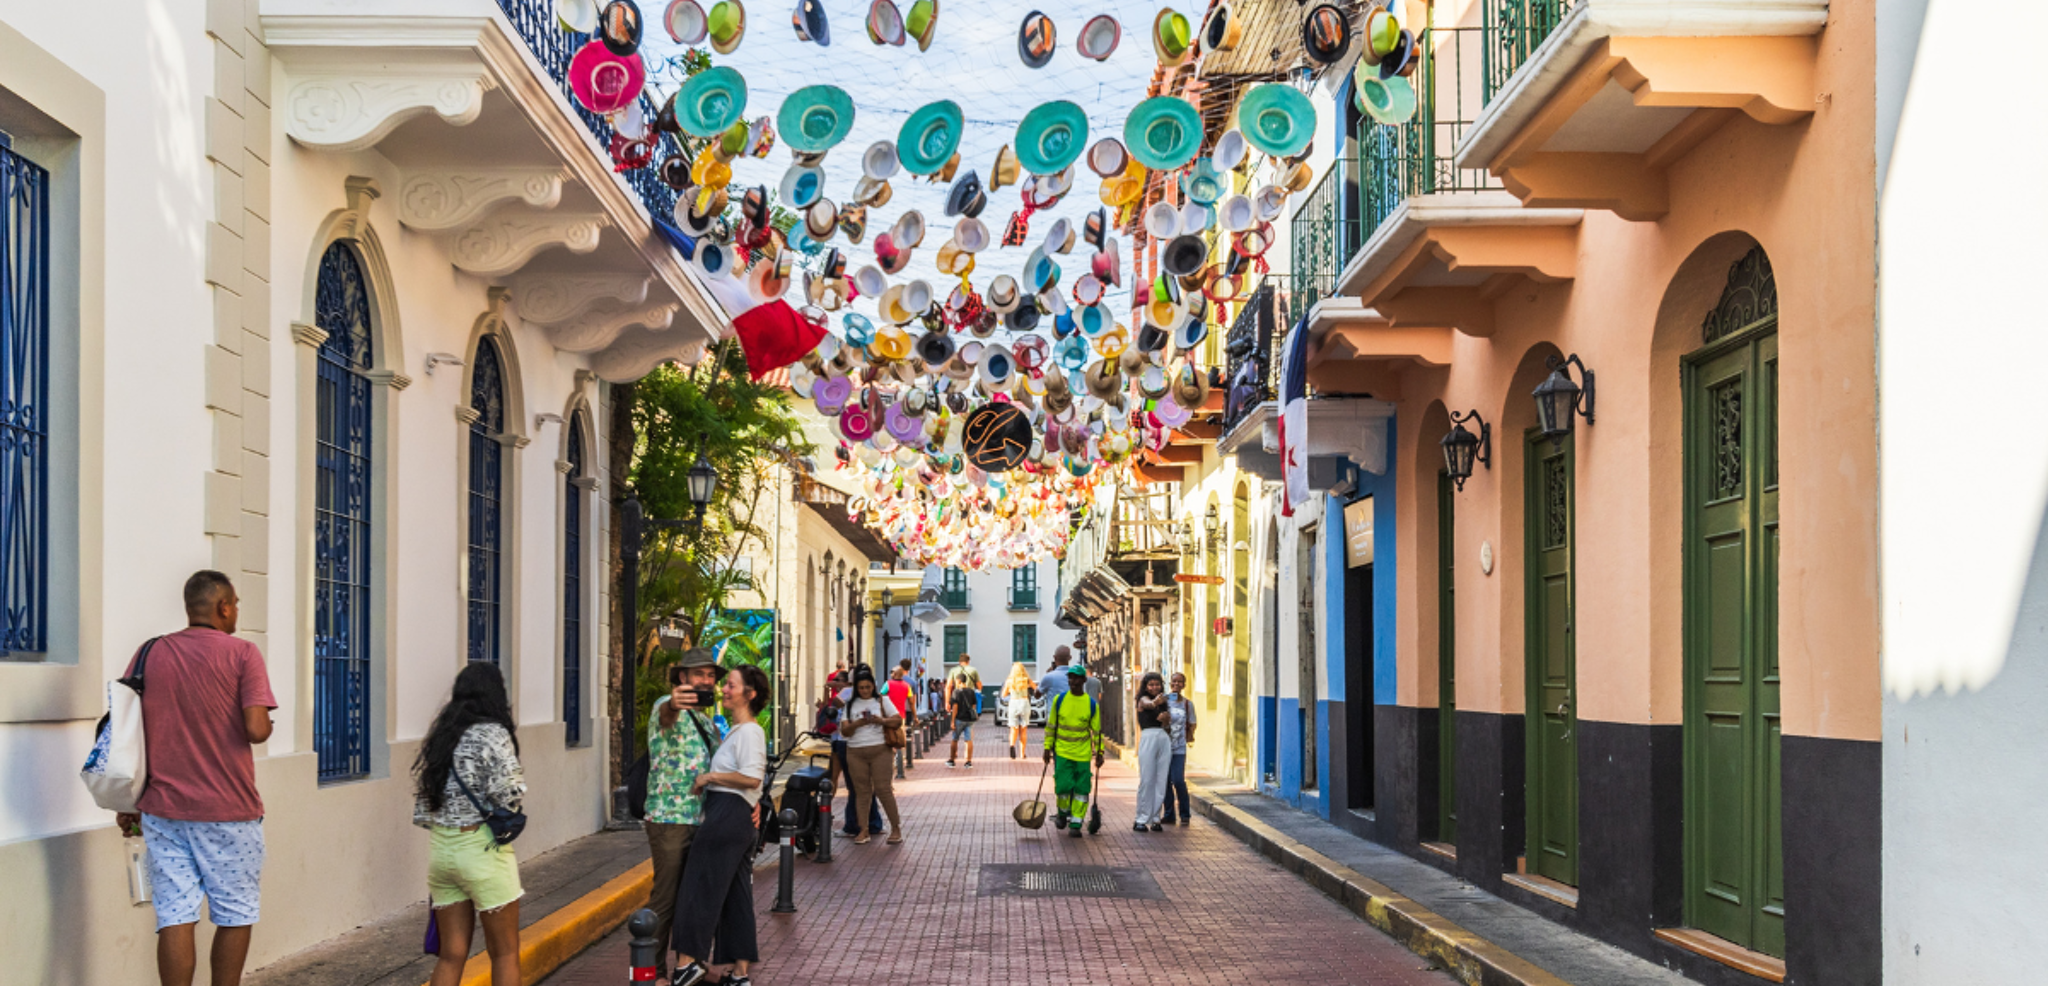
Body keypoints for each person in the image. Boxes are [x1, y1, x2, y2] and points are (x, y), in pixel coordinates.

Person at [112, 571, 276, 986]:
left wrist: (127, 802)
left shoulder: (150, 652)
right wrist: (265, 722)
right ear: (224, 607)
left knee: (174, 915)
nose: (236, 611)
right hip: (229, 810)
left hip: (163, 810)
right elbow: (256, 729)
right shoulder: (243, 654)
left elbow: (128, 727)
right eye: (235, 604)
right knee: (235, 913)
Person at [415, 662, 526, 986]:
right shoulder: (493, 734)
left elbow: (425, 805)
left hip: (442, 852)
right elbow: (508, 794)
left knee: (451, 955)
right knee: (505, 953)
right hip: (481, 850)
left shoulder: (443, 736)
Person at [670, 665, 773, 986]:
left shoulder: (750, 732)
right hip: (735, 817)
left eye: (731, 685)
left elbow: (752, 777)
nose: (723, 690)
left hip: (726, 816)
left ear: (749, 694)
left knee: (698, 887)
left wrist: (709, 777)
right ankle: (739, 973)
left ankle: (686, 963)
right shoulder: (738, 731)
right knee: (736, 896)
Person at [642, 648, 723, 976]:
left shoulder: (706, 722)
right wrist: (674, 703)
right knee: (666, 897)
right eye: (698, 674)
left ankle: (690, 967)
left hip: (700, 820)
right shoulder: (664, 705)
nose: (706, 680)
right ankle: (652, 973)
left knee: (692, 898)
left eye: (710, 675)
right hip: (669, 818)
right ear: (682, 677)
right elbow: (667, 714)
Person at [839, 668, 905, 844]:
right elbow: (844, 731)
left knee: (883, 789)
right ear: (856, 688)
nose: (865, 691)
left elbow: (897, 720)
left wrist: (881, 720)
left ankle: (896, 828)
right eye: (861, 688)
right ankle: (863, 830)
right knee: (861, 791)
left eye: (868, 687)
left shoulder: (882, 700)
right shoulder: (850, 705)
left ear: (873, 686)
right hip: (855, 751)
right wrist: (857, 723)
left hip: (880, 749)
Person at [1045, 664, 1104, 837]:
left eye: (1077, 678)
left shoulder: (1091, 705)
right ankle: (1063, 813)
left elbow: (1097, 732)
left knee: (1082, 789)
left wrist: (1100, 752)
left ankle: (1076, 823)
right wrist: (1047, 747)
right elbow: (1051, 726)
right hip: (1062, 752)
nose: (1073, 681)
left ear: (1084, 680)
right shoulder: (1060, 700)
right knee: (1063, 786)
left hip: (1082, 754)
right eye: (1070, 677)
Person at [832, 666, 884, 837]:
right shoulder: (875, 697)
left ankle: (854, 825)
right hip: (866, 743)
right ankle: (873, 823)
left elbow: (835, 703)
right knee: (866, 786)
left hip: (850, 744)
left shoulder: (849, 692)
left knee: (855, 786)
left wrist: (845, 689)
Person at [1132, 672, 1171, 832]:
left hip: (1163, 738)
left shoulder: (1164, 703)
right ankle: (1141, 818)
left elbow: (1167, 726)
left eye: (1157, 684)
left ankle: (1155, 817)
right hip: (1148, 737)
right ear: (1146, 686)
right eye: (1151, 685)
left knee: (1161, 780)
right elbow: (1147, 704)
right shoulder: (1143, 699)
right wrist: (1155, 702)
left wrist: (1166, 721)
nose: (1154, 687)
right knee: (1147, 779)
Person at [1161, 672, 1198, 826]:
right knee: (1165, 781)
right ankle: (1169, 814)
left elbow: (1193, 723)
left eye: (1180, 682)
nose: (1176, 684)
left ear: (1184, 685)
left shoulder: (1187, 704)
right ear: (1170, 683)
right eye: (1174, 681)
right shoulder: (1163, 701)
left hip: (1179, 748)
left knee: (1178, 780)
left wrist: (1186, 734)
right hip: (1163, 748)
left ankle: (1185, 813)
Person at [947, 668, 979, 768]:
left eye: (956, 681)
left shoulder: (956, 692)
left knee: (955, 739)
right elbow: (974, 705)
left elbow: (955, 707)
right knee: (968, 740)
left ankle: (952, 760)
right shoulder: (971, 691)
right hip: (969, 719)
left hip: (959, 719)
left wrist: (952, 721)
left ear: (959, 681)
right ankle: (968, 761)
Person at [1001, 663, 1035, 758]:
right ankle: (1022, 753)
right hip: (1024, 702)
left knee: (1013, 729)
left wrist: (1010, 691)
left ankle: (1012, 746)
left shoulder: (1009, 681)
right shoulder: (1026, 680)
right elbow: (1036, 688)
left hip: (1013, 703)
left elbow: (1003, 695)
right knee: (1023, 729)